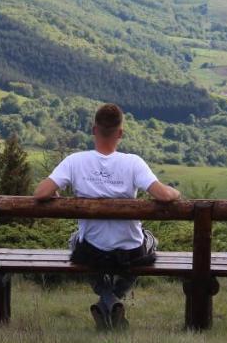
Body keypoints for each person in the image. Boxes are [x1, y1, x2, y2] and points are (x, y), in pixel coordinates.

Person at [33, 102, 181, 330]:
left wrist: (55, 191)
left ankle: (106, 297)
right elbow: (163, 194)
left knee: (75, 241)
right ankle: (115, 297)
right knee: (151, 240)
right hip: (130, 253)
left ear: (94, 130)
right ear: (120, 133)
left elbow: (40, 193)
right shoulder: (133, 163)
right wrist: (175, 191)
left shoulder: (75, 162)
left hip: (92, 252)